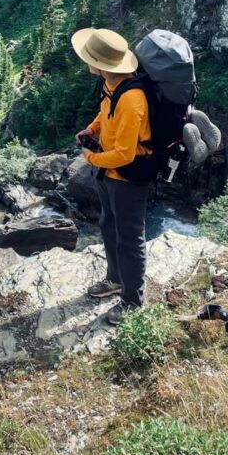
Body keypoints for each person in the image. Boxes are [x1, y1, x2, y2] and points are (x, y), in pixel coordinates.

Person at [71, 27, 154, 325]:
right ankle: (116, 279)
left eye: (89, 57)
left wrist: (90, 157)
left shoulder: (133, 100)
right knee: (109, 225)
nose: (86, 61)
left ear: (101, 64)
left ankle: (133, 301)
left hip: (127, 178)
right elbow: (106, 112)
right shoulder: (112, 84)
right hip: (109, 173)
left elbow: (125, 154)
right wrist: (92, 130)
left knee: (129, 238)